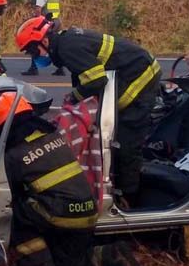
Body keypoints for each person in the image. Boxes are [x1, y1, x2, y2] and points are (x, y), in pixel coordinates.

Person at [15, 17, 161, 208]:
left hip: (141, 75)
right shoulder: (66, 43)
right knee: (111, 132)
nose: (34, 56)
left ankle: (131, 199)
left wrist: (74, 97)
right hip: (134, 71)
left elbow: (96, 81)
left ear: (44, 40)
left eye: (33, 50)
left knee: (126, 141)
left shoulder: (67, 48)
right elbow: (83, 77)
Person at [0, 92, 97, 266]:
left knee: (16, 214)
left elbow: (10, 192)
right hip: (88, 211)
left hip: (61, 215)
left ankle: (38, 263)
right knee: (73, 261)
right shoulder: (55, 136)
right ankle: (111, 255)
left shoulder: (14, 154)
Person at [22, 0, 65, 76]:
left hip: (46, 23)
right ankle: (60, 68)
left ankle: (33, 68)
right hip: (57, 22)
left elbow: (38, 9)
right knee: (55, 45)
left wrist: (36, 21)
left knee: (35, 43)